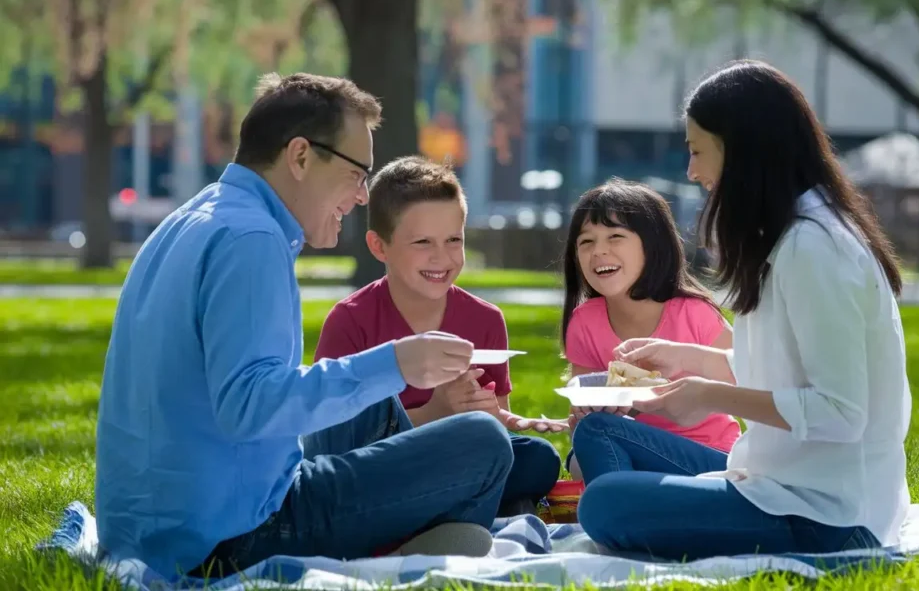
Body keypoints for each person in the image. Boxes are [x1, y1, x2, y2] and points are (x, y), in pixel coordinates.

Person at [94, 73, 514, 580]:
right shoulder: (252, 240)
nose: (362, 196)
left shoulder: (194, 219)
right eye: (358, 172)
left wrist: (385, 373)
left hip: (150, 528)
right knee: (483, 445)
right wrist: (398, 363)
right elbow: (249, 407)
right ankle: (402, 553)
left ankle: (403, 525)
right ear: (299, 156)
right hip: (230, 537)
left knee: (379, 404)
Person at [573, 59, 912, 562]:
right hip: (778, 481)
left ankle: (663, 518)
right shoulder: (793, 236)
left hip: (827, 517)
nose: (691, 172)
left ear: (742, 149)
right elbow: (789, 374)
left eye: (696, 151)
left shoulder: (813, 248)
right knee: (600, 432)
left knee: (603, 503)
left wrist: (708, 395)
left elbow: (842, 413)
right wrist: (687, 358)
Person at [310, 155, 562, 517]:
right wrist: (434, 411)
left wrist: (503, 418)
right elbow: (331, 443)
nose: (441, 257)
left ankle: (435, 519)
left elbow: (496, 428)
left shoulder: (485, 320)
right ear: (379, 246)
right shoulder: (351, 320)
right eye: (423, 243)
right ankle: (456, 515)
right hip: (378, 469)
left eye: (453, 240)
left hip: (454, 462)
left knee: (538, 458)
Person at [560, 179, 739, 481]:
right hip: (636, 451)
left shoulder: (694, 313)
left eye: (615, 236)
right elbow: (587, 400)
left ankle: (625, 508)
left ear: (653, 245)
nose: (599, 251)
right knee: (581, 451)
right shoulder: (584, 321)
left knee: (596, 440)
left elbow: (747, 378)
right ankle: (633, 503)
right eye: (586, 241)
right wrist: (582, 416)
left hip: (710, 457)